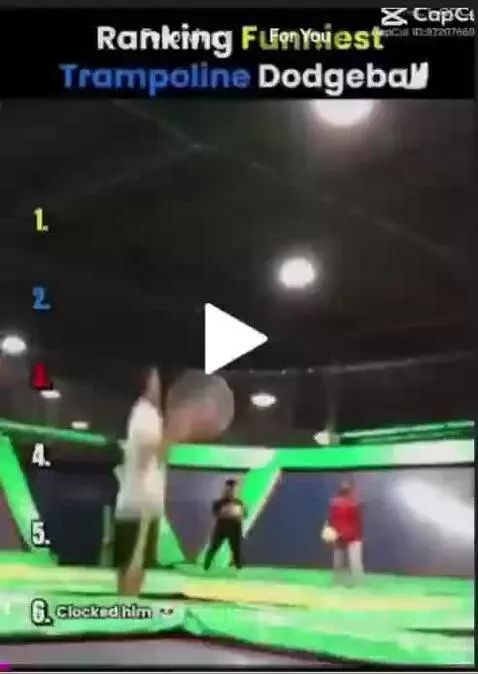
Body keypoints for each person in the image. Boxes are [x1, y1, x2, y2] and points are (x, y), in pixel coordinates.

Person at [113, 368, 168, 596]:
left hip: (137, 497)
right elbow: (147, 450)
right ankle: (127, 603)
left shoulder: (146, 414)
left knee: (131, 558)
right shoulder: (146, 413)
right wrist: (171, 439)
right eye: (154, 381)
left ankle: (126, 601)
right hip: (141, 500)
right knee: (134, 559)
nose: (159, 387)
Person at [327, 480, 364, 585]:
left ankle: (339, 583)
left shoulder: (334, 503)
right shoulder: (355, 503)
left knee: (340, 563)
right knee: (354, 563)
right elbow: (358, 521)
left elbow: (331, 520)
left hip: (343, 537)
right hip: (351, 537)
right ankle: (357, 584)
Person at [204, 479, 246, 571]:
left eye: (234, 489)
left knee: (236, 550)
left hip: (235, 529)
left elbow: (244, 514)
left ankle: (238, 567)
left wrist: (239, 514)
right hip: (222, 528)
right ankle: (206, 566)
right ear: (225, 490)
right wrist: (227, 512)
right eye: (229, 489)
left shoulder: (239, 503)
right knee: (213, 547)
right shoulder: (219, 502)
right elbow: (215, 513)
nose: (232, 491)